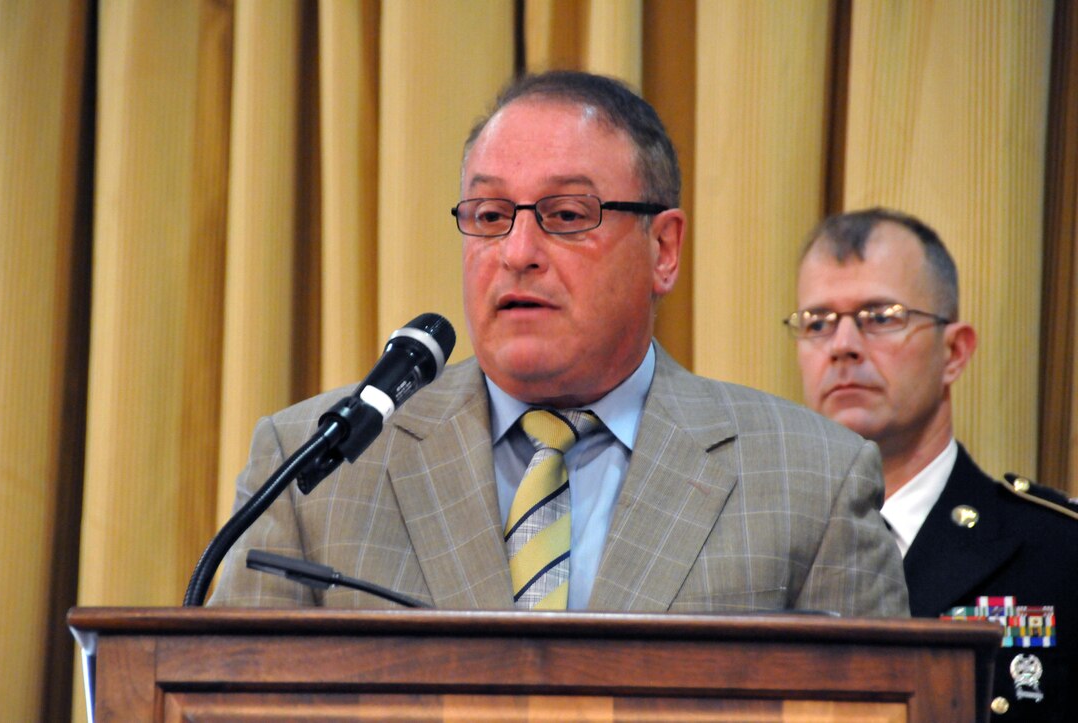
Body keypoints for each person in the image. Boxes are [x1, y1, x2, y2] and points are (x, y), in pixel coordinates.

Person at [210, 70, 907, 618]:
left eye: (566, 215)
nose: (516, 252)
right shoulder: (312, 469)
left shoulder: (811, 483)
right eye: (489, 215)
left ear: (663, 249)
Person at [789, 207, 1078, 721]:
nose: (843, 346)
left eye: (881, 317)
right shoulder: (765, 547)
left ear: (954, 352)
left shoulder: (1057, 552)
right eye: (818, 323)